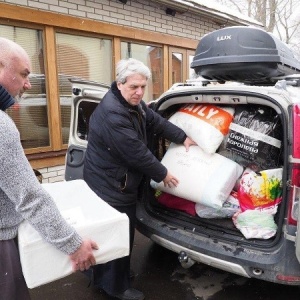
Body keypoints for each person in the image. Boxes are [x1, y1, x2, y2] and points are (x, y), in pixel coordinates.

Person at [83, 58, 196, 300]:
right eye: (134, 87)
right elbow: (136, 152)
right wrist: (163, 174)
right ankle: (116, 287)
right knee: (118, 233)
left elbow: (155, 121)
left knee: (115, 235)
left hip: (113, 178)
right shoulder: (113, 113)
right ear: (119, 83)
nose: (139, 92)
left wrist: (182, 136)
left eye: (143, 86)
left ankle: (110, 275)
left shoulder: (134, 104)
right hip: (110, 184)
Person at [0, 37, 99, 300]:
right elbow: (30, 198)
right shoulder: (1, 126)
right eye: (23, 74)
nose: (28, 84)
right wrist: (74, 245)